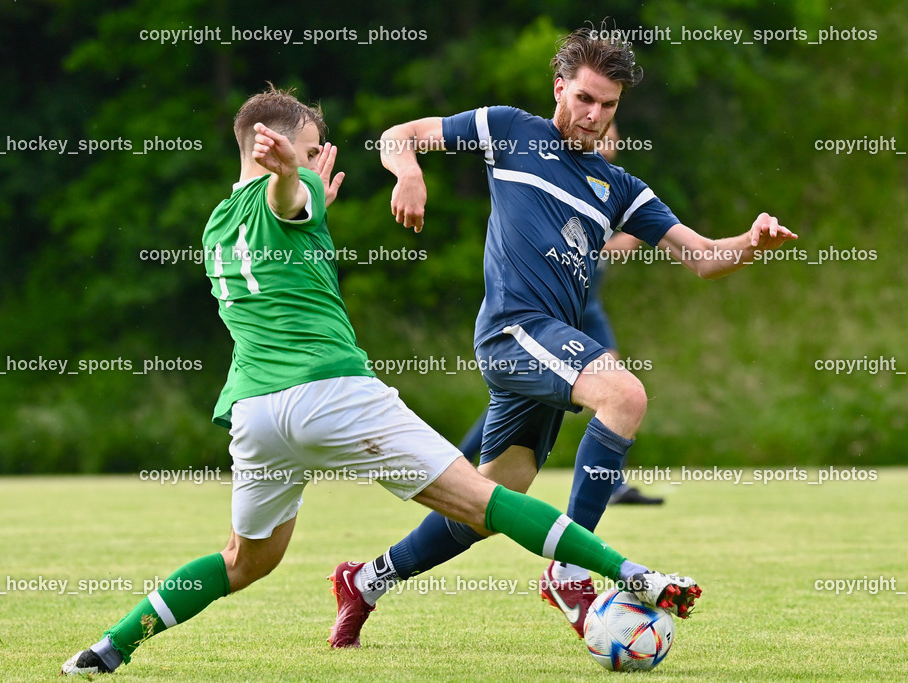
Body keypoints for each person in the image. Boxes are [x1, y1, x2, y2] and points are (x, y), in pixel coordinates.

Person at [59, 86, 700, 675]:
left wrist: (302, 190)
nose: (319, 163)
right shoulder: (288, 194)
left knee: (243, 562)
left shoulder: (217, 225)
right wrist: (294, 179)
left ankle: (109, 647)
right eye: (313, 150)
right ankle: (629, 572)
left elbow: (285, 224)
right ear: (276, 146)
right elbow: (288, 198)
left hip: (255, 414)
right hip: (332, 395)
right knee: (484, 502)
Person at [328, 26, 796, 647]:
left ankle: (365, 581)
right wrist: (407, 173)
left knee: (490, 504)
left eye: (607, 105)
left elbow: (705, 257)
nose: (593, 115)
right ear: (561, 88)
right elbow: (398, 135)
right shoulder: (510, 129)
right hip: (514, 330)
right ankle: (572, 569)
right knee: (624, 396)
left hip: (548, 344)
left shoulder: (622, 189)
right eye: (584, 98)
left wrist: (751, 244)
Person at [456, 122, 661, 507]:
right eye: (608, 135)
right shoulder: (554, 168)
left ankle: (612, 483)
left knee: (620, 389)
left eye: (615, 131)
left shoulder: (613, 186)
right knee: (556, 390)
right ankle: (461, 461)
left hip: (588, 309)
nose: (609, 139)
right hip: (546, 313)